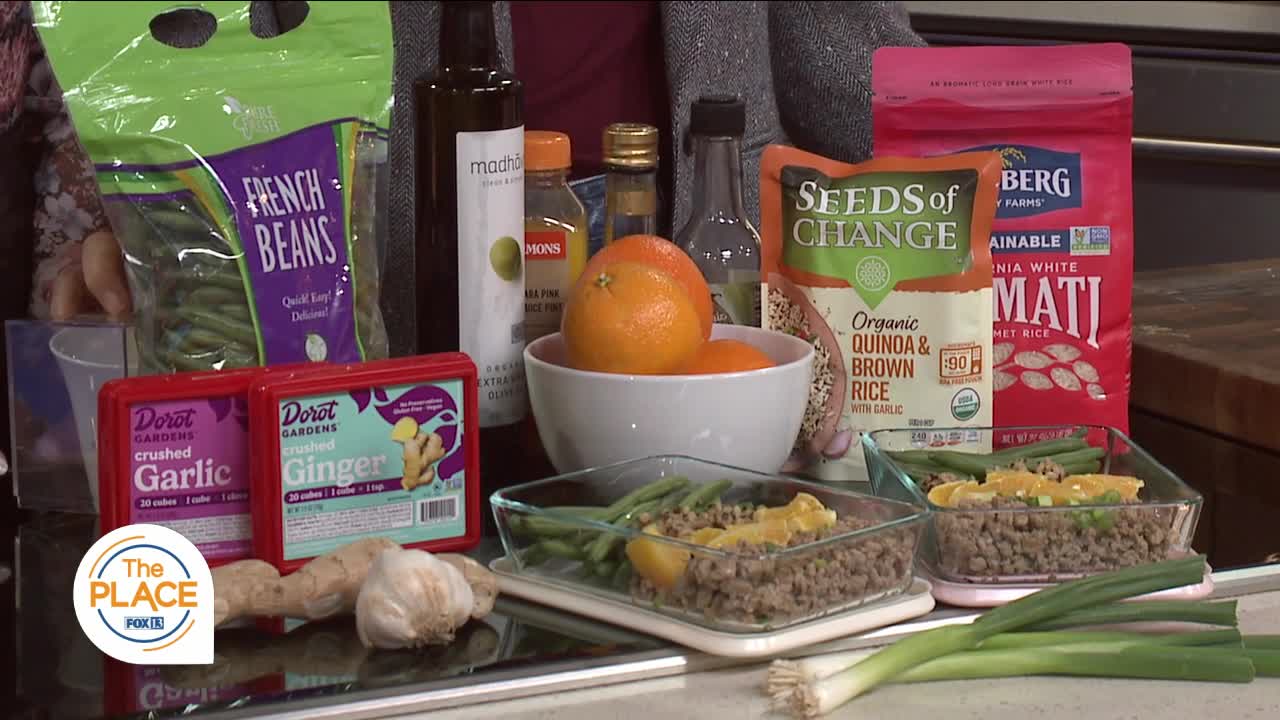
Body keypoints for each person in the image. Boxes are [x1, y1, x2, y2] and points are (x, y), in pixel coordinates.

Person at [32, 0, 924, 358]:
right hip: (410, 333)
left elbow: (867, 87)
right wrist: (171, 232)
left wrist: (1026, 171)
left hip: (706, 297)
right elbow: (214, 68)